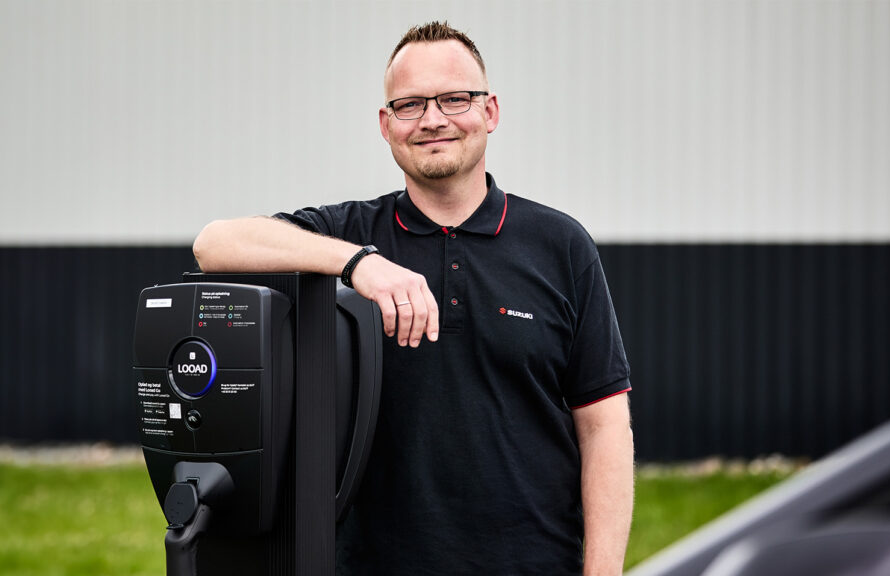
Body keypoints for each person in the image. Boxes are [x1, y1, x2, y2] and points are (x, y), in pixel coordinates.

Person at [193, 21, 633, 576]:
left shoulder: (560, 244)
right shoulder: (350, 231)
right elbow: (215, 243)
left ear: (490, 111)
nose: (433, 119)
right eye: (410, 104)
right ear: (386, 123)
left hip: (534, 562)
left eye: (455, 99)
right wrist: (359, 264)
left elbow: (603, 427)